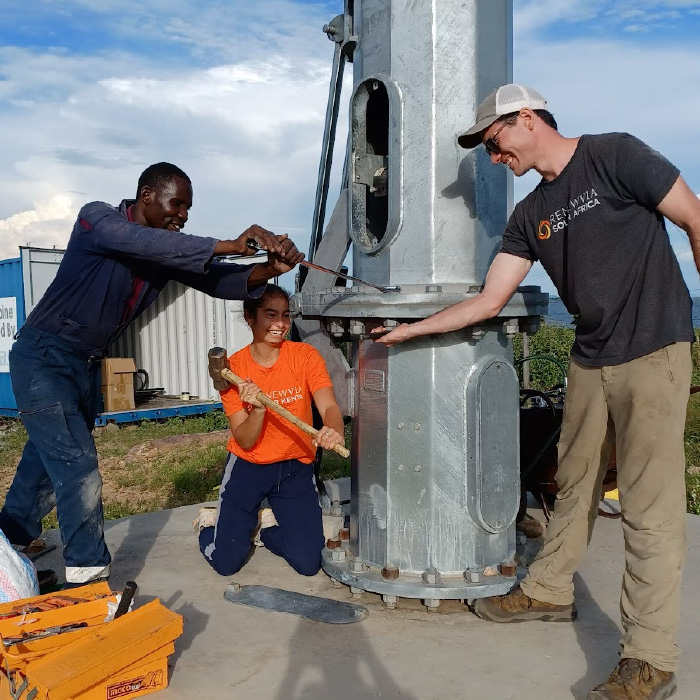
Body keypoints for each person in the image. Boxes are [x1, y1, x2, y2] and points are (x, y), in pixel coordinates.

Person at [375, 85, 700, 700]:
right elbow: (488, 301)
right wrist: (409, 331)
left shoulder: (615, 155)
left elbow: (694, 216)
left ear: (527, 118)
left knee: (648, 508)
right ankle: (549, 591)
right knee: (572, 482)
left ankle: (649, 658)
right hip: (590, 357)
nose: (495, 158)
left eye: (495, 143)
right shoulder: (530, 216)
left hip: (654, 347)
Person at [0, 162, 304, 588]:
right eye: (176, 204)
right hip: (43, 357)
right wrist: (230, 243)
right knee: (77, 467)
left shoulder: (164, 254)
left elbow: (217, 280)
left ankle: (11, 540)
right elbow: (132, 239)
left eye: (188, 208)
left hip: (84, 362)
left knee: (44, 462)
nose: (182, 215)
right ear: (146, 195)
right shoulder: (97, 219)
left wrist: (269, 270)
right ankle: (88, 575)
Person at [194, 284, 344, 577]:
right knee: (226, 564)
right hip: (248, 469)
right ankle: (208, 528)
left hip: (294, 467)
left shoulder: (305, 356)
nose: (280, 324)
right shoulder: (231, 371)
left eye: (285, 316)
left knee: (309, 564)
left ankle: (265, 532)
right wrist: (259, 409)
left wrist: (333, 429)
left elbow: (329, 407)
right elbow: (246, 440)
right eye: (270, 315)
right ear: (250, 318)